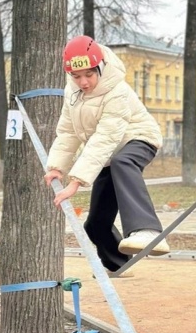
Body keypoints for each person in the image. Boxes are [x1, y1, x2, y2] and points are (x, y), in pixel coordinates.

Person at [43, 35, 170, 274]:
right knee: (95, 224)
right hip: (109, 155)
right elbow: (67, 131)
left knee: (124, 161)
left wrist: (76, 182)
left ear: (100, 67)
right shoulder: (72, 93)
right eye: (76, 76)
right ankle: (120, 265)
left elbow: (105, 137)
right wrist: (57, 167)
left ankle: (148, 230)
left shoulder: (117, 90)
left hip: (138, 138)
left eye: (89, 75)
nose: (83, 82)